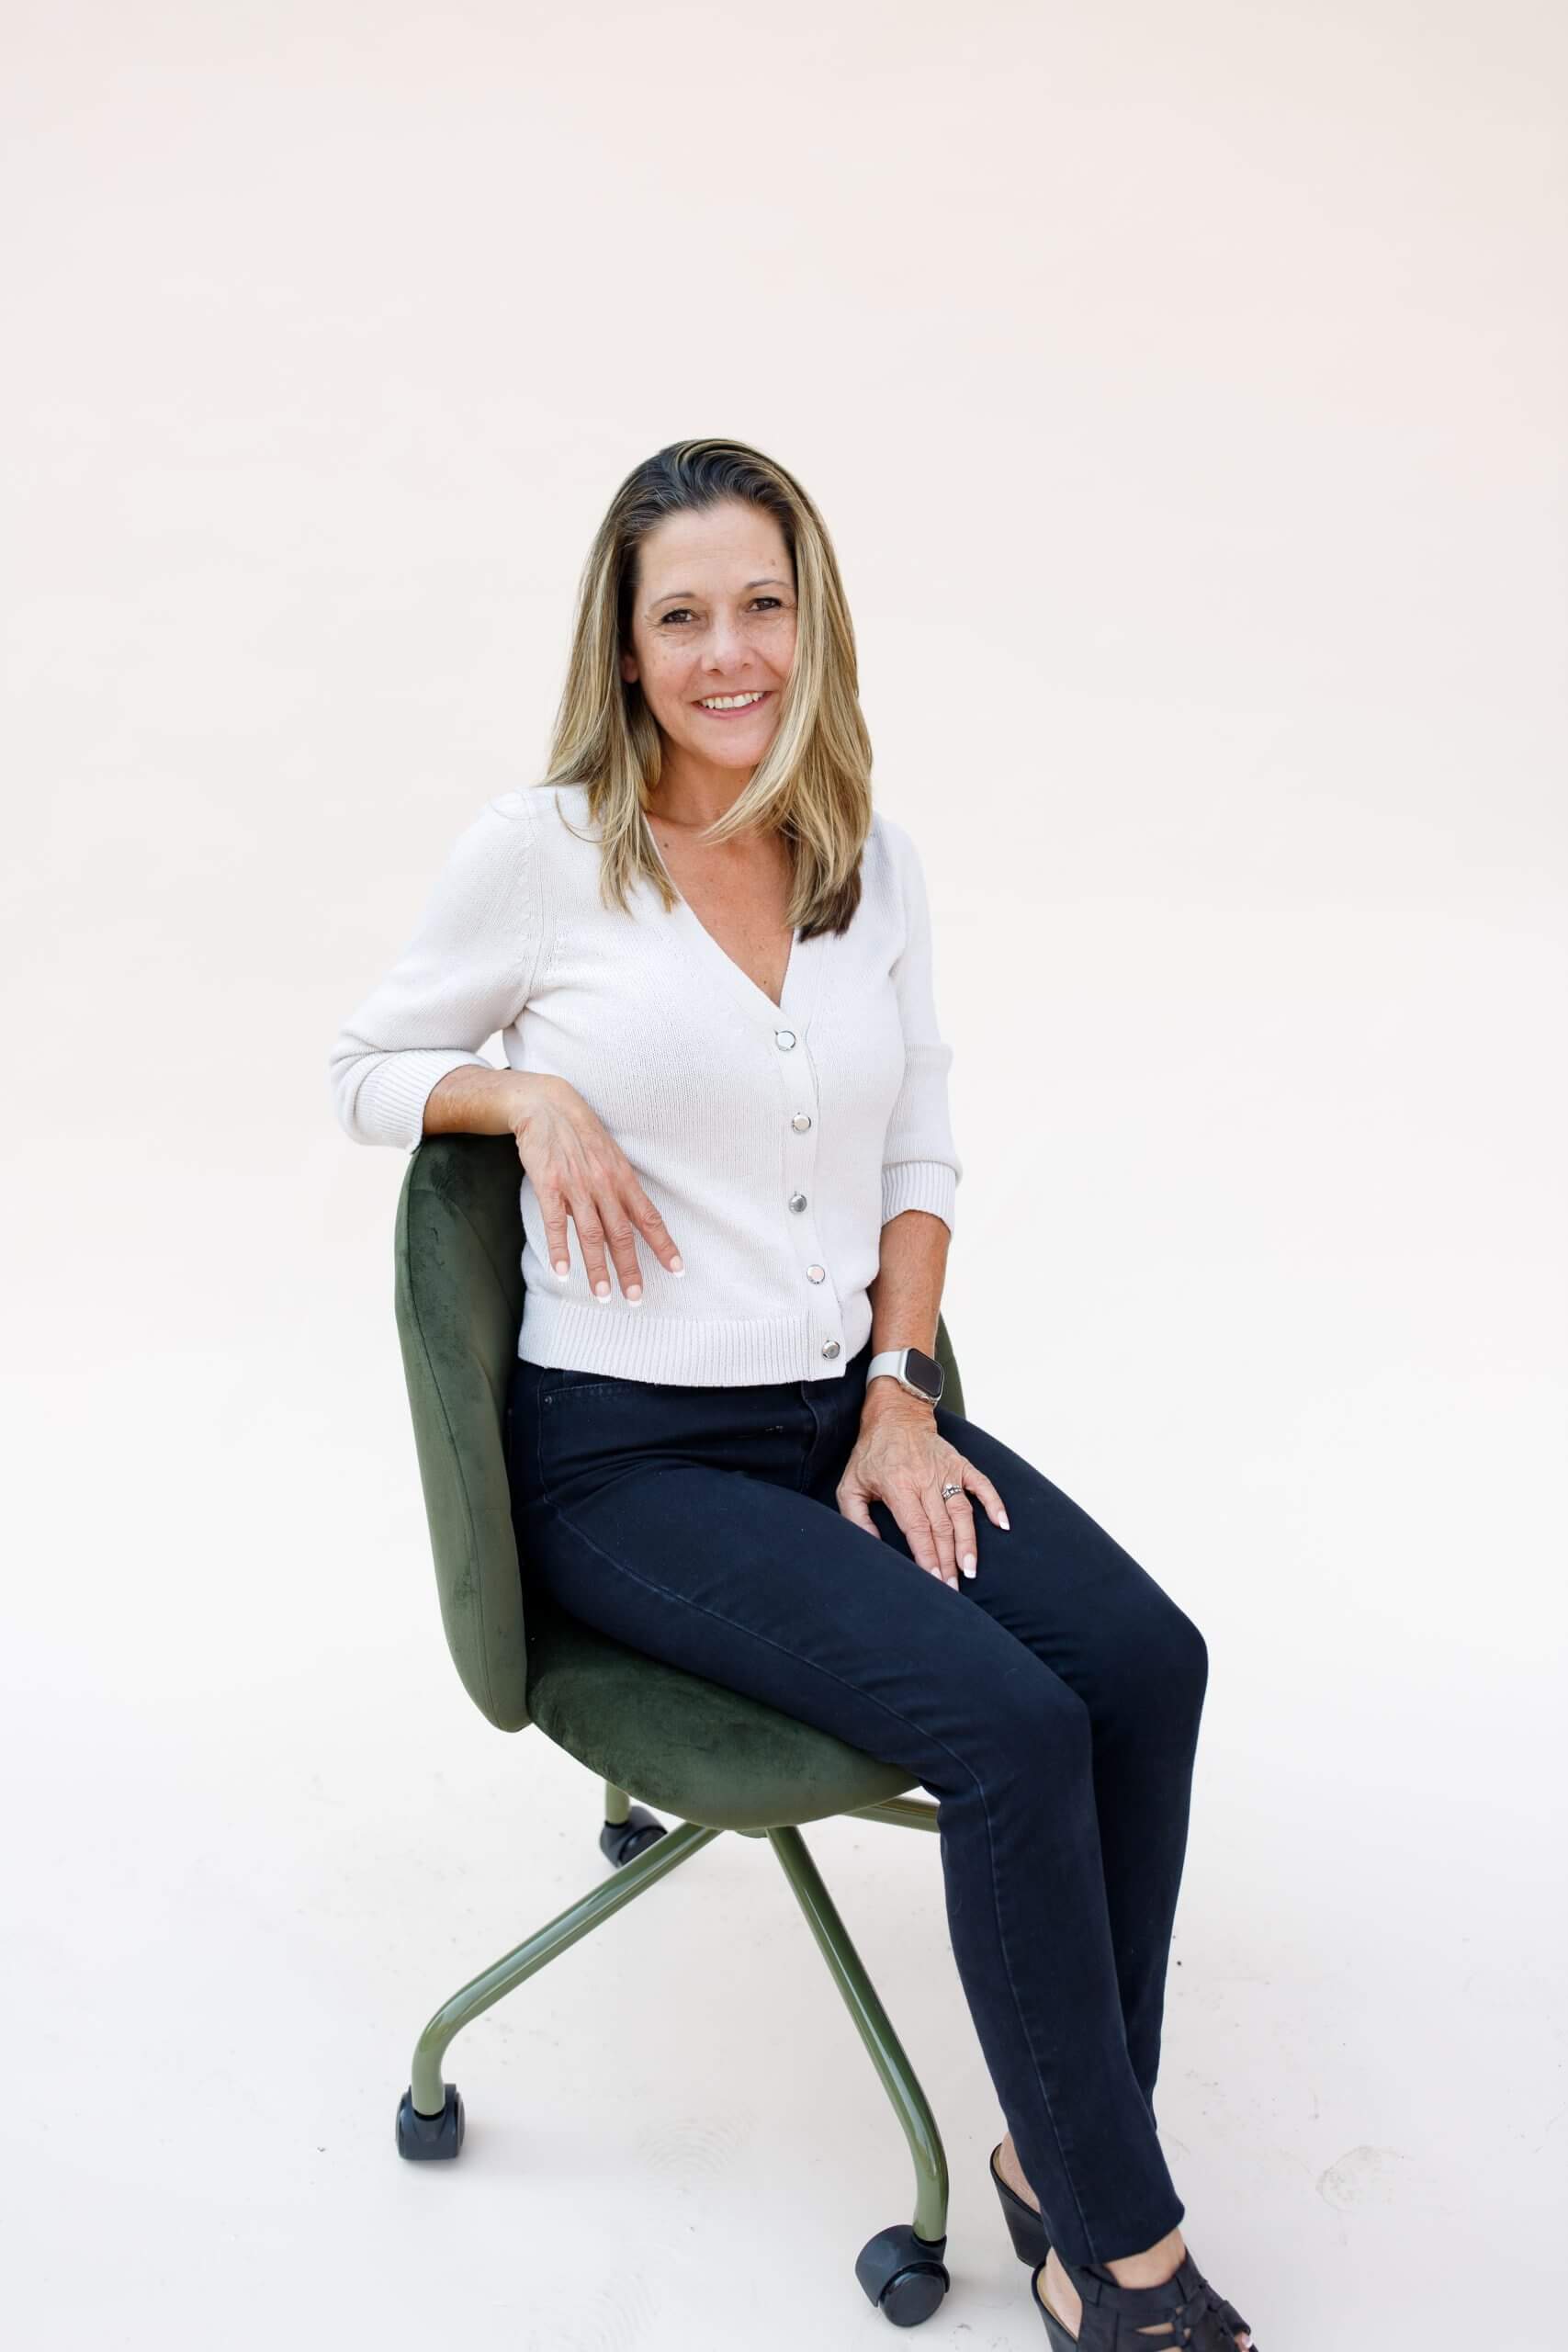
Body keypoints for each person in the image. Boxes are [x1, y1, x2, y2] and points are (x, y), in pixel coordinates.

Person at [326, 436, 1258, 2350]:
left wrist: (900, 1391)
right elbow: (360, 1071)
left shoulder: (863, 856)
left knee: (1143, 1663)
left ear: (809, 619)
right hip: (624, 1464)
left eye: (761, 603)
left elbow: (919, 1149)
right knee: (1009, 1728)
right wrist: (526, 1092)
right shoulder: (544, 851)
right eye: (681, 614)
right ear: (625, 643)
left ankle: (1056, 2152)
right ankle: (1123, 2256)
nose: (726, 650)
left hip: (842, 1417)